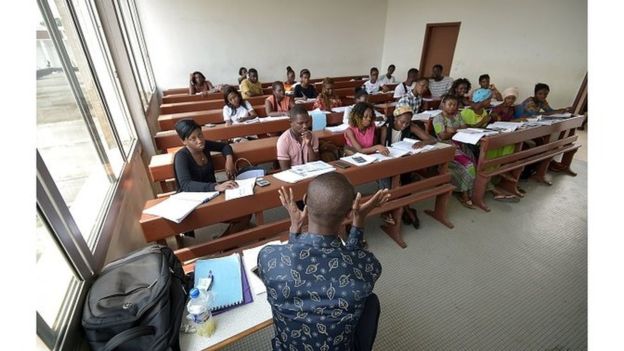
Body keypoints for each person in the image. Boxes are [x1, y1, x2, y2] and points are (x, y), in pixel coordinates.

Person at [258, 174, 388, 351]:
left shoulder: (269, 257)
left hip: (287, 348)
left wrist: (294, 229)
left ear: (304, 200)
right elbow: (354, 261)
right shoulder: (366, 266)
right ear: (349, 213)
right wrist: (359, 221)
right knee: (370, 301)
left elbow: (291, 262)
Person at [173, 119, 251, 235]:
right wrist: (216, 187)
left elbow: (225, 147)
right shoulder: (181, 157)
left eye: (200, 135)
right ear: (184, 141)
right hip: (195, 201)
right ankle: (224, 246)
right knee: (243, 215)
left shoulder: (204, 146)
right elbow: (186, 185)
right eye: (193, 138)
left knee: (247, 209)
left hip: (212, 194)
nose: (199, 141)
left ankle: (224, 243)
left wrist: (229, 160)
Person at [378, 104, 436, 226]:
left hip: (404, 161)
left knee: (404, 182)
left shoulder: (411, 126)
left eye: (407, 123)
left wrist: (423, 143)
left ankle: (403, 207)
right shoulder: (386, 128)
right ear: (395, 118)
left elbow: (432, 140)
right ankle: (398, 208)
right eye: (402, 122)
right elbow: (382, 149)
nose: (404, 125)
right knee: (389, 184)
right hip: (388, 162)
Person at [432, 95, 477, 209]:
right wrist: (455, 130)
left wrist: (452, 130)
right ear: (443, 104)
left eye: (455, 105)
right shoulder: (438, 118)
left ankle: (469, 189)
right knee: (468, 165)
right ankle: (464, 194)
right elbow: (442, 136)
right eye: (449, 104)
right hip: (447, 147)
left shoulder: (458, 115)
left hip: (460, 144)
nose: (452, 107)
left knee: (474, 159)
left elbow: (464, 127)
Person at [276, 105, 320, 170]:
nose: (305, 126)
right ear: (291, 122)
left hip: (311, 171)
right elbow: (285, 169)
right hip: (293, 175)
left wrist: (309, 145)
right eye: (300, 123)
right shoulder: (283, 140)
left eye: (307, 122)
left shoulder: (312, 136)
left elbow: (314, 163)